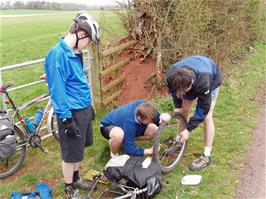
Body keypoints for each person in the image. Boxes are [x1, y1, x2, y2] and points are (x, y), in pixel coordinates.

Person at [44, 11, 99, 198]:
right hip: (71, 112)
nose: (89, 44)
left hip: (81, 109)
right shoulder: (57, 55)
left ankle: (76, 179)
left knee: (78, 150)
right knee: (69, 154)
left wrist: (89, 105)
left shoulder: (74, 53)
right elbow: (57, 90)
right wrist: (67, 120)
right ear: (81, 33)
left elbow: (78, 82)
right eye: (89, 40)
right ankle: (69, 188)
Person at [165, 55, 223, 170]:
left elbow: (203, 109)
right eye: (180, 91)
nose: (182, 94)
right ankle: (179, 142)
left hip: (211, 77)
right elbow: (175, 93)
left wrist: (188, 129)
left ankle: (207, 155)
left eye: (184, 92)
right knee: (183, 110)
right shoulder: (171, 76)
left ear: (191, 83)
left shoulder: (203, 81)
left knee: (207, 116)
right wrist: (178, 108)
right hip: (191, 71)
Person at [100, 99, 171, 157]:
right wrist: (148, 151)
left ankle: (126, 140)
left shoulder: (144, 106)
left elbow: (157, 118)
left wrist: (164, 117)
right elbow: (130, 150)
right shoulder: (129, 123)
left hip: (127, 126)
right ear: (140, 118)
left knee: (154, 130)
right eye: (149, 121)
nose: (152, 122)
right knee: (118, 135)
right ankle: (114, 155)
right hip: (107, 126)